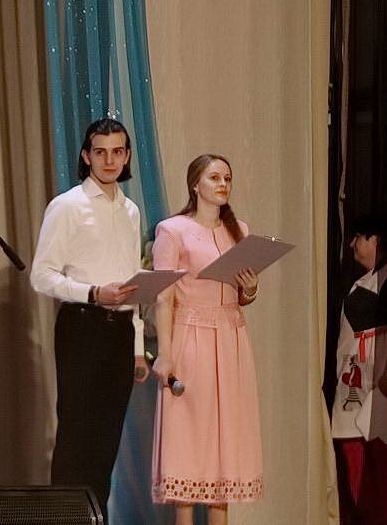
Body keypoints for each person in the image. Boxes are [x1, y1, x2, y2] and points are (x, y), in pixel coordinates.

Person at [31, 117, 148, 521]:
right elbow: (41, 275)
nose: (109, 160)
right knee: (76, 438)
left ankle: (95, 518)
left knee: (106, 441)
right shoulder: (67, 206)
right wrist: (94, 293)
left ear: (127, 156)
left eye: (117, 152)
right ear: (86, 156)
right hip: (82, 325)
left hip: (119, 331)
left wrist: (137, 348)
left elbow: (132, 281)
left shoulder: (130, 211)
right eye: (100, 152)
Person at [150, 154, 262, 524]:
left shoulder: (238, 230)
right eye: (214, 177)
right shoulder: (173, 230)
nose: (222, 184)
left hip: (230, 340)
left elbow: (242, 294)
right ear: (196, 184)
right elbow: (163, 296)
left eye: (227, 177)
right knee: (189, 437)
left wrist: (250, 288)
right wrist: (165, 354)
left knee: (225, 442)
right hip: (192, 337)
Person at [332, 214, 387, 525]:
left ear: (376, 239)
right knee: (355, 468)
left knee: (376, 476)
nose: (353, 243)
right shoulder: (366, 280)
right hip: (354, 386)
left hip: (375, 393)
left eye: (360, 237)